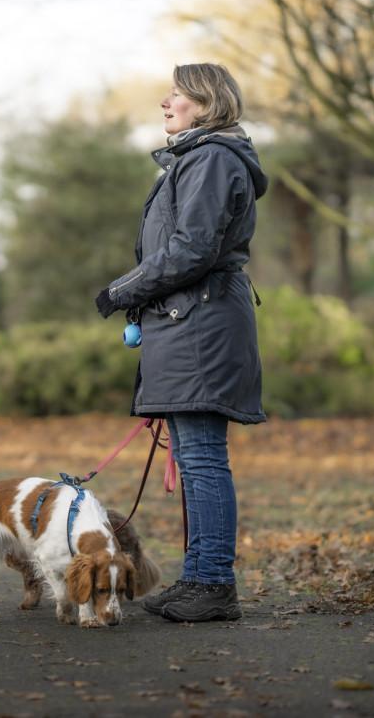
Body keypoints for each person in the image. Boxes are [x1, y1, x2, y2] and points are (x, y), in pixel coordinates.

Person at [94, 63, 268, 623]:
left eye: (177, 94)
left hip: (201, 324)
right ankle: (198, 578)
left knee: (204, 460)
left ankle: (213, 583)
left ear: (207, 102)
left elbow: (191, 248)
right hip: (189, 320)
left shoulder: (212, 158)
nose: (165, 103)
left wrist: (122, 290)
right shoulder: (198, 158)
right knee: (194, 459)